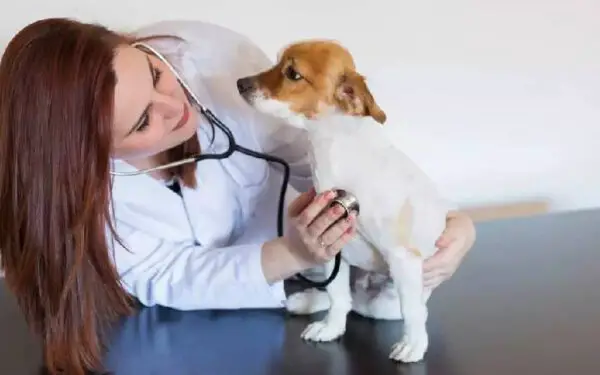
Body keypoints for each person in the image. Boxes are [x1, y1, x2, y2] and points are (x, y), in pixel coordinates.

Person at [0, 18, 476, 375]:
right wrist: (292, 250)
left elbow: (337, 145)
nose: (175, 105)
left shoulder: (209, 57)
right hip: (191, 341)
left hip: (319, 290)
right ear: (89, 154)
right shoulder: (91, 205)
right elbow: (171, 275)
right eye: (143, 121)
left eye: (154, 72)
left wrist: (446, 219)